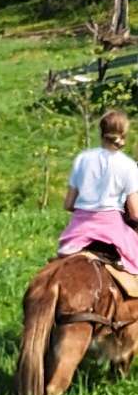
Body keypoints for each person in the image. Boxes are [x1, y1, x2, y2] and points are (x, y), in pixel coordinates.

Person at [58, 110, 138, 273]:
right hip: (113, 229)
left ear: (101, 133)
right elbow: (135, 213)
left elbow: (68, 204)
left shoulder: (82, 159)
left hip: (78, 228)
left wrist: (87, 208)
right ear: (123, 135)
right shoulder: (127, 165)